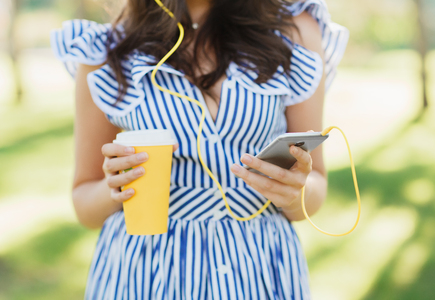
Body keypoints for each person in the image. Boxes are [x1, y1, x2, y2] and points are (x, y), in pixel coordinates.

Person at [51, 0, 348, 298]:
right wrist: (115, 188)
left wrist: (296, 195)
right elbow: (84, 203)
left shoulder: (294, 31)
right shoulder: (107, 48)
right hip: (146, 274)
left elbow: (316, 184)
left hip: (260, 270)